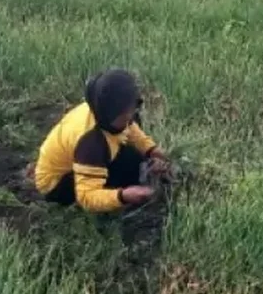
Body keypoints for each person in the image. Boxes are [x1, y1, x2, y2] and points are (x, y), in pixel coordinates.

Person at [33, 69, 172, 215]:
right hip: (57, 184)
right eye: (130, 110)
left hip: (81, 157)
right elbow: (86, 196)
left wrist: (151, 150)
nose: (133, 113)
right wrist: (122, 196)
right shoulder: (91, 144)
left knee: (133, 159)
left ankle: (138, 175)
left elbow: (131, 128)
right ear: (114, 114)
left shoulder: (103, 110)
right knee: (128, 177)